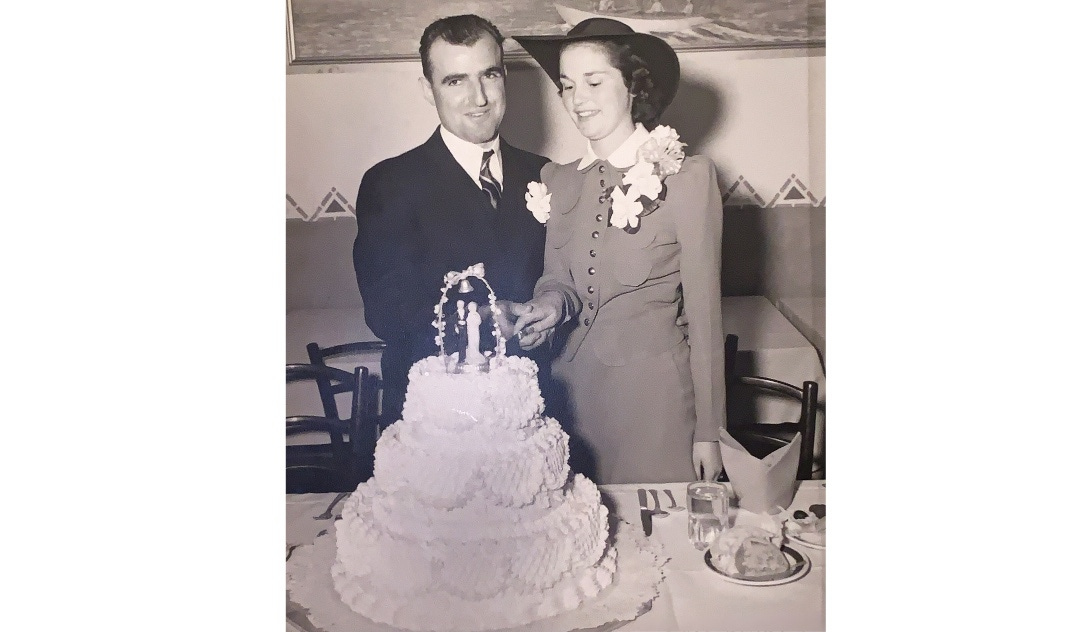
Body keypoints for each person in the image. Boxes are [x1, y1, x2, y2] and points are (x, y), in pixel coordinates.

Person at [514, 18, 725, 484]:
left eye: (593, 81)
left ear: (633, 86)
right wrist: (548, 304)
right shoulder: (557, 180)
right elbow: (558, 279)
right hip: (572, 401)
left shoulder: (687, 178)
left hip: (656, 407)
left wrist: (710, 430)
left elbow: (706, 315)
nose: (577, 99)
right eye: (567, 86)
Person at [353, 14, 550, 425]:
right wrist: (480, 320)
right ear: (428, 89)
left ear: (505, 77)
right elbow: (386, 311)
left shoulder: (547, 174)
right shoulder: (389, 183)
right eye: (455, 80)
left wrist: (550, 316)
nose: (478, 98)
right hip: (435, 420)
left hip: (530, 412)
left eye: (489, 75)